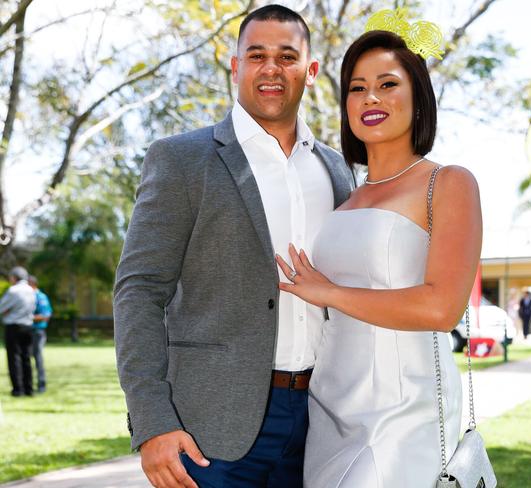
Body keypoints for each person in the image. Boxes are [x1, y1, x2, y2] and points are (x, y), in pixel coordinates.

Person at [113, 5, 354, 488]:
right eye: (257, 55)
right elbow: (138, 291)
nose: (271, 68)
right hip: (209, 429)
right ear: (235, 65)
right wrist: (153, 422)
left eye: (287, 56)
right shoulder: (181, 159)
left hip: (321, 421)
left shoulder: (337, 170)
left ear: (311, 70)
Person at [275, 28, 482, 487]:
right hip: (329, 409)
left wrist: (329, 292)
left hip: (405, 413)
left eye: (387, 84)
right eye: (357, 88)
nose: (371, 98)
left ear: (418, 95)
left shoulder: (448, 183)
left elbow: (441, 308)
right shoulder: (344, 197)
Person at [0, 266, 36, 396]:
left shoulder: (13, 290)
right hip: (28, 326)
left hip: (14, 327)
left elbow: (2, 307)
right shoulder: (31, 290)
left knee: (14, 357)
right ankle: (29, 388)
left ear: (14, 277)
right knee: (26, 357)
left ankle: (18, 389)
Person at [28, 275, 52, 393]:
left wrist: (28, 317)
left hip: (38, 332)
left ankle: (41, 385)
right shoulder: (28, 297)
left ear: (32, 284)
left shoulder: (40, 297)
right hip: (27, 331)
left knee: (37, 358)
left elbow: (45, 316)